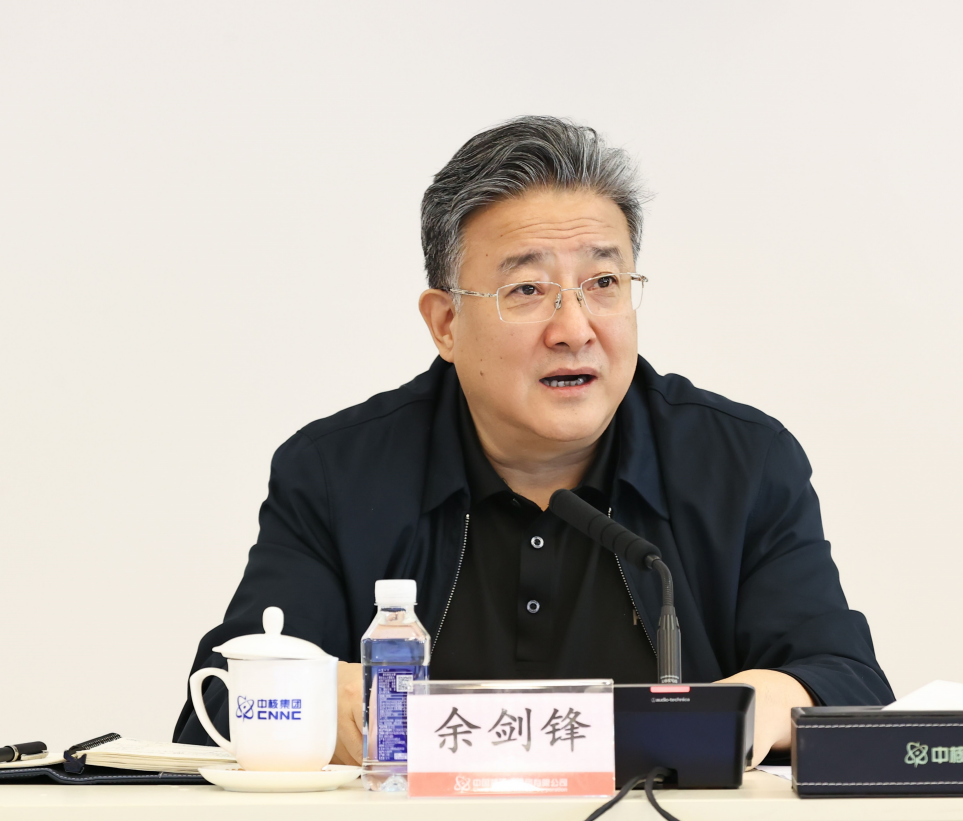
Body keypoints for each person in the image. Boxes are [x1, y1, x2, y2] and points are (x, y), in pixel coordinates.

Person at [174, 116, 892, 766]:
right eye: (526, 290)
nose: (575, 328)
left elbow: (843, 681)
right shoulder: (337, 473)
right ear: (446, 323)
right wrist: (303, 694)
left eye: (604, 282)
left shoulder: (741, 463)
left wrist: (749, 709)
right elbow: (217, 705)